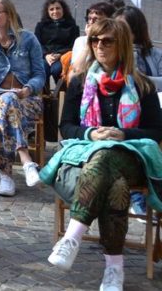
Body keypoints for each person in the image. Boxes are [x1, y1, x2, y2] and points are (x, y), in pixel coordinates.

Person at [46, 18, 162, 291]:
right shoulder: (80, 82)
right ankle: (114, 270)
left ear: (121, 45)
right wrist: (90, 135)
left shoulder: (142, 85)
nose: (99, 45)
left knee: (107, 155)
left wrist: (123, 135)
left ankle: (72, 236)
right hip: (89, 155)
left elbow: (156, 130)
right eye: (95, 40)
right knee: (116, 186)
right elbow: (67, 126)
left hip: (132, 156)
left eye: (107, 40)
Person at [0, 0, 45, 197]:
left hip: (27, 99)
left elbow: (40, 74)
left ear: (9, 15)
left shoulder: (28, 39)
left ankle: (5, 174)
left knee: (7, 103)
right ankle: (26, 160)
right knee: (5, 101)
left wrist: (29, 89)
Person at [67, 1, 118, 84]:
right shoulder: (80, 41)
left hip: (109, 78)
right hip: (87, 80)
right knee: (73, 76)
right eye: (89, 19)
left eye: (96, 19)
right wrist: (89, 41)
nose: (91, 22)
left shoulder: (115, 40)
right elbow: (77, 69)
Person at [35, 0, 80, 85]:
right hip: (46, 56)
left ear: (63, 9)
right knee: (42, 69)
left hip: (63, 56)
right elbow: (37, 44)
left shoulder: (72, 26)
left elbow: (73, 45)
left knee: (56, 70)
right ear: (47, 12)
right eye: (51, 9)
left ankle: (60, 95)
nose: (55, 11)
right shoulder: (41, 25)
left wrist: (59, 54)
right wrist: (46, 55)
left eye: (58, 8)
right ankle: (44, 94)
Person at [116, 6, 162, 91]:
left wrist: (140, 80)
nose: (118, 32)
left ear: (136, 31)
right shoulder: (108, 53)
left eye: (123, 28)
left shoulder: (157, 54)